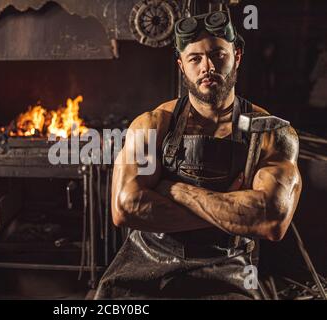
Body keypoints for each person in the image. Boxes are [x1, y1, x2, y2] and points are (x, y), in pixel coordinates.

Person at [94, 11, 302, 300]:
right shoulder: (153, 124)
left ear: (237, 55)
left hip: (228, 267)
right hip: (146, 262)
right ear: (181, 65)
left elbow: (270, 219)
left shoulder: (270, 132)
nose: (208, 66)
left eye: (218, 55)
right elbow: (126, 207)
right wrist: (231, 211)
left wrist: (174, 189)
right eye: (195, 59)